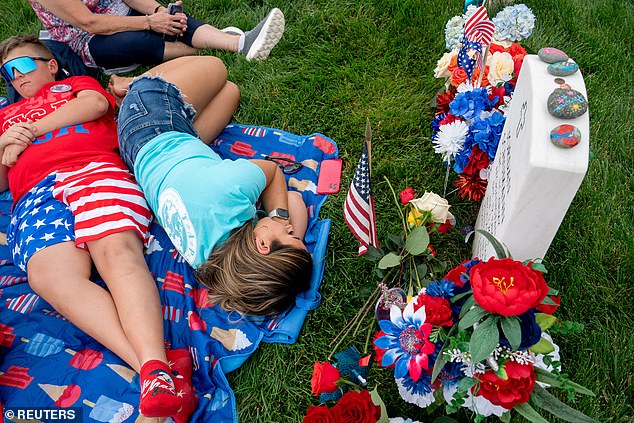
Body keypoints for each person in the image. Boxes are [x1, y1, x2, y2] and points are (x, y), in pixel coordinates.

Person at [0, 35, 188, 418]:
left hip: (91, 168)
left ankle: (156, 367)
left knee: (115, 252)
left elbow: (97, 104)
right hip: (35, 194)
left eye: (23, 66)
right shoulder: (3, 118)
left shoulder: (73, 86)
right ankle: (156, 371)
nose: (16, 77)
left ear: (50, 64)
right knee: (51, 280)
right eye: (7, 73)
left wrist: (31, 131)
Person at [108, 55, 313, 316]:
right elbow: (293, 200)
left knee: (217, 67)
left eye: (290, 235)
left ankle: (129, 85)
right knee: (230, 91)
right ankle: (133, 95)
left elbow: (273, 172)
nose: (292, 228)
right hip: (145, 156)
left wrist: (278, 218)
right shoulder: (211, 262)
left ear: (262, 246)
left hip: (149, 120)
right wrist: (284, 231)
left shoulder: (229, 193)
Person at [29, 0, 284, 70]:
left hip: (123, 10)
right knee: (140, 39)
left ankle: (238, 43)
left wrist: (159, 11)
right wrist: (150, 22)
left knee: (172, 21)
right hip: (89, 40)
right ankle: (222, 41)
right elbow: (91, 23)